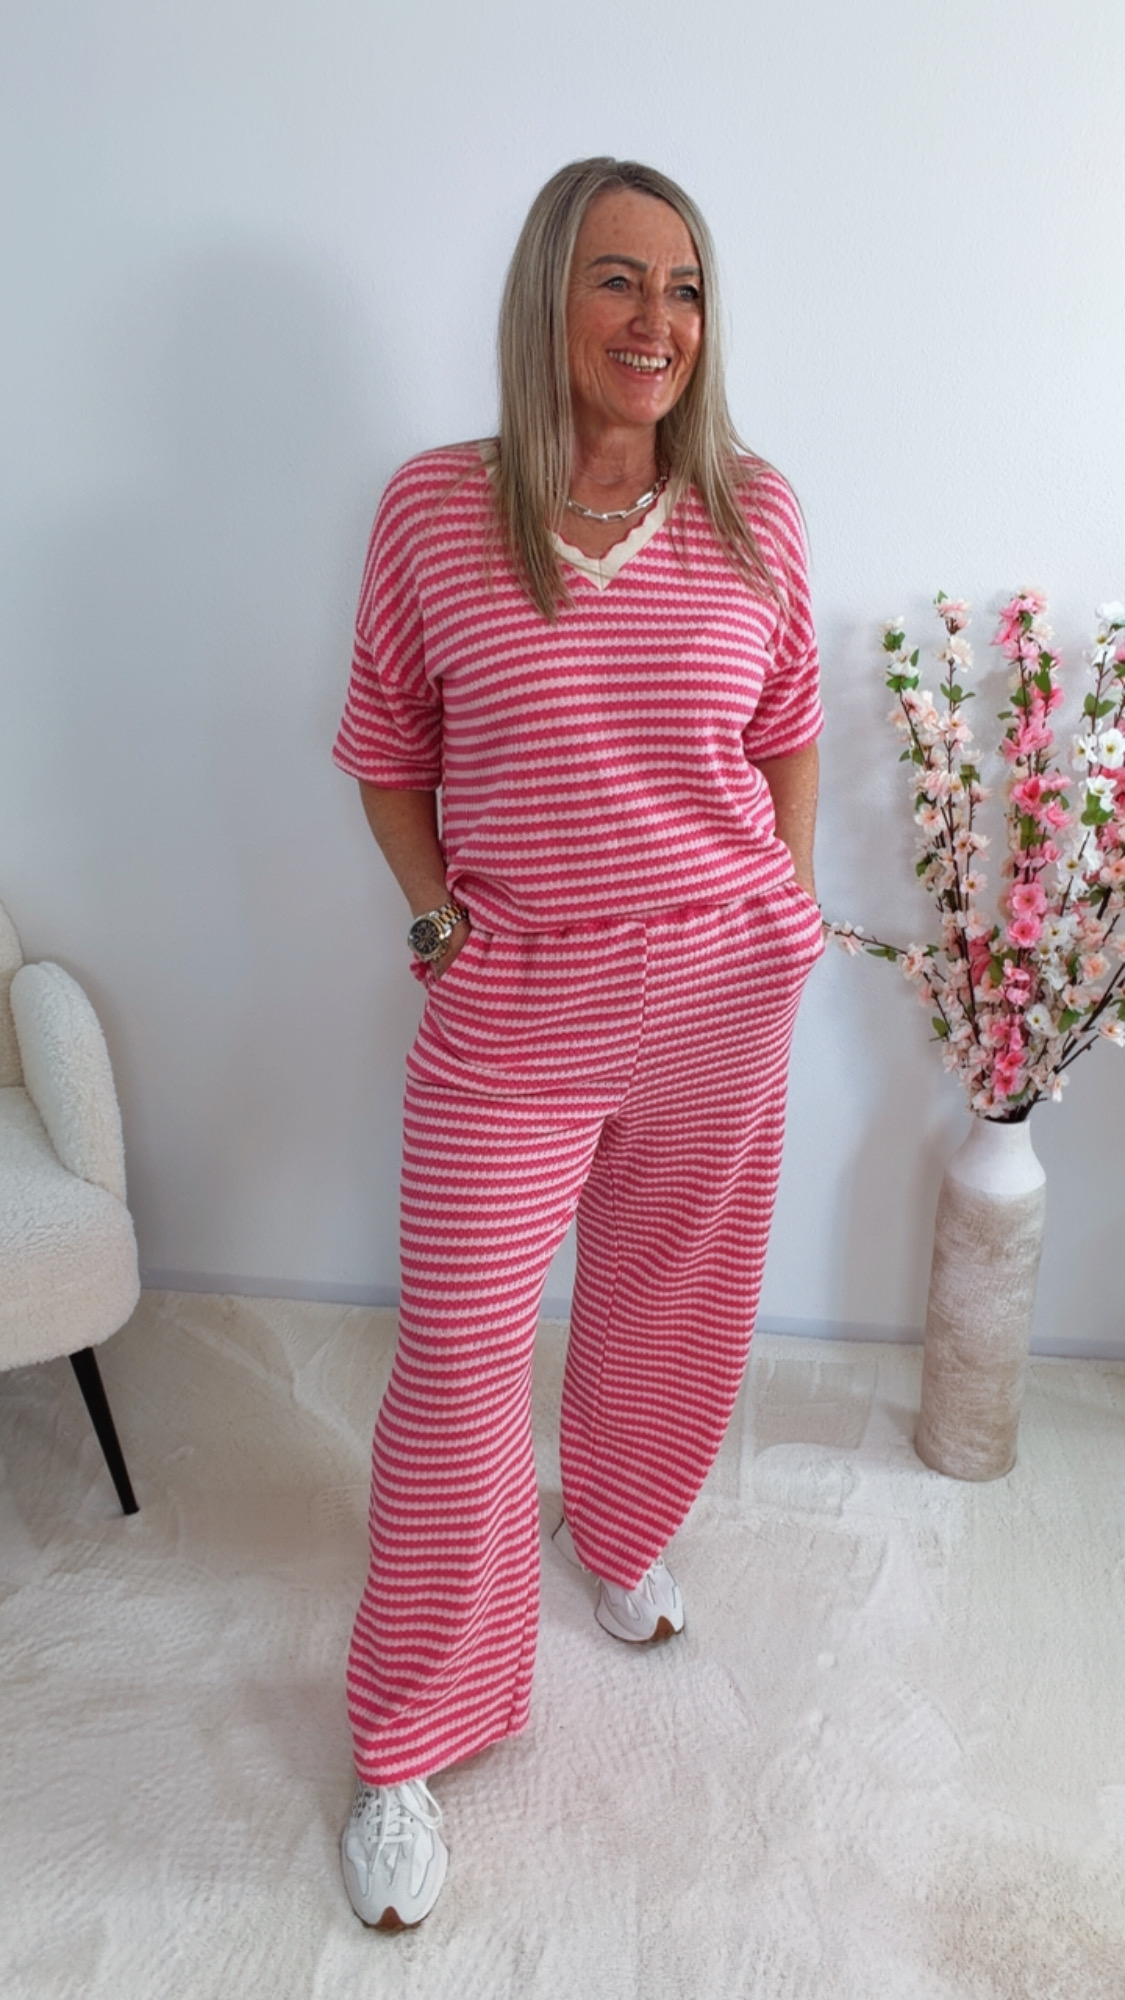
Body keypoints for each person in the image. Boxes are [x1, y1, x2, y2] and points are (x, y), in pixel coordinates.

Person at [331, 156, 824, 1929]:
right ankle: (409, 1731)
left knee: (667, 1296)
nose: (655, 322)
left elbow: (785, 731)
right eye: (618, 279)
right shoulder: (433, 508)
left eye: (684, 288)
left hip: (718, 989)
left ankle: (616, 1529)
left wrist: (791, 917)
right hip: (514, 1007)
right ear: (547, 295)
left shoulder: (753, 512)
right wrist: (436, 918)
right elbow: (385, 747)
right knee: (458, 1364)